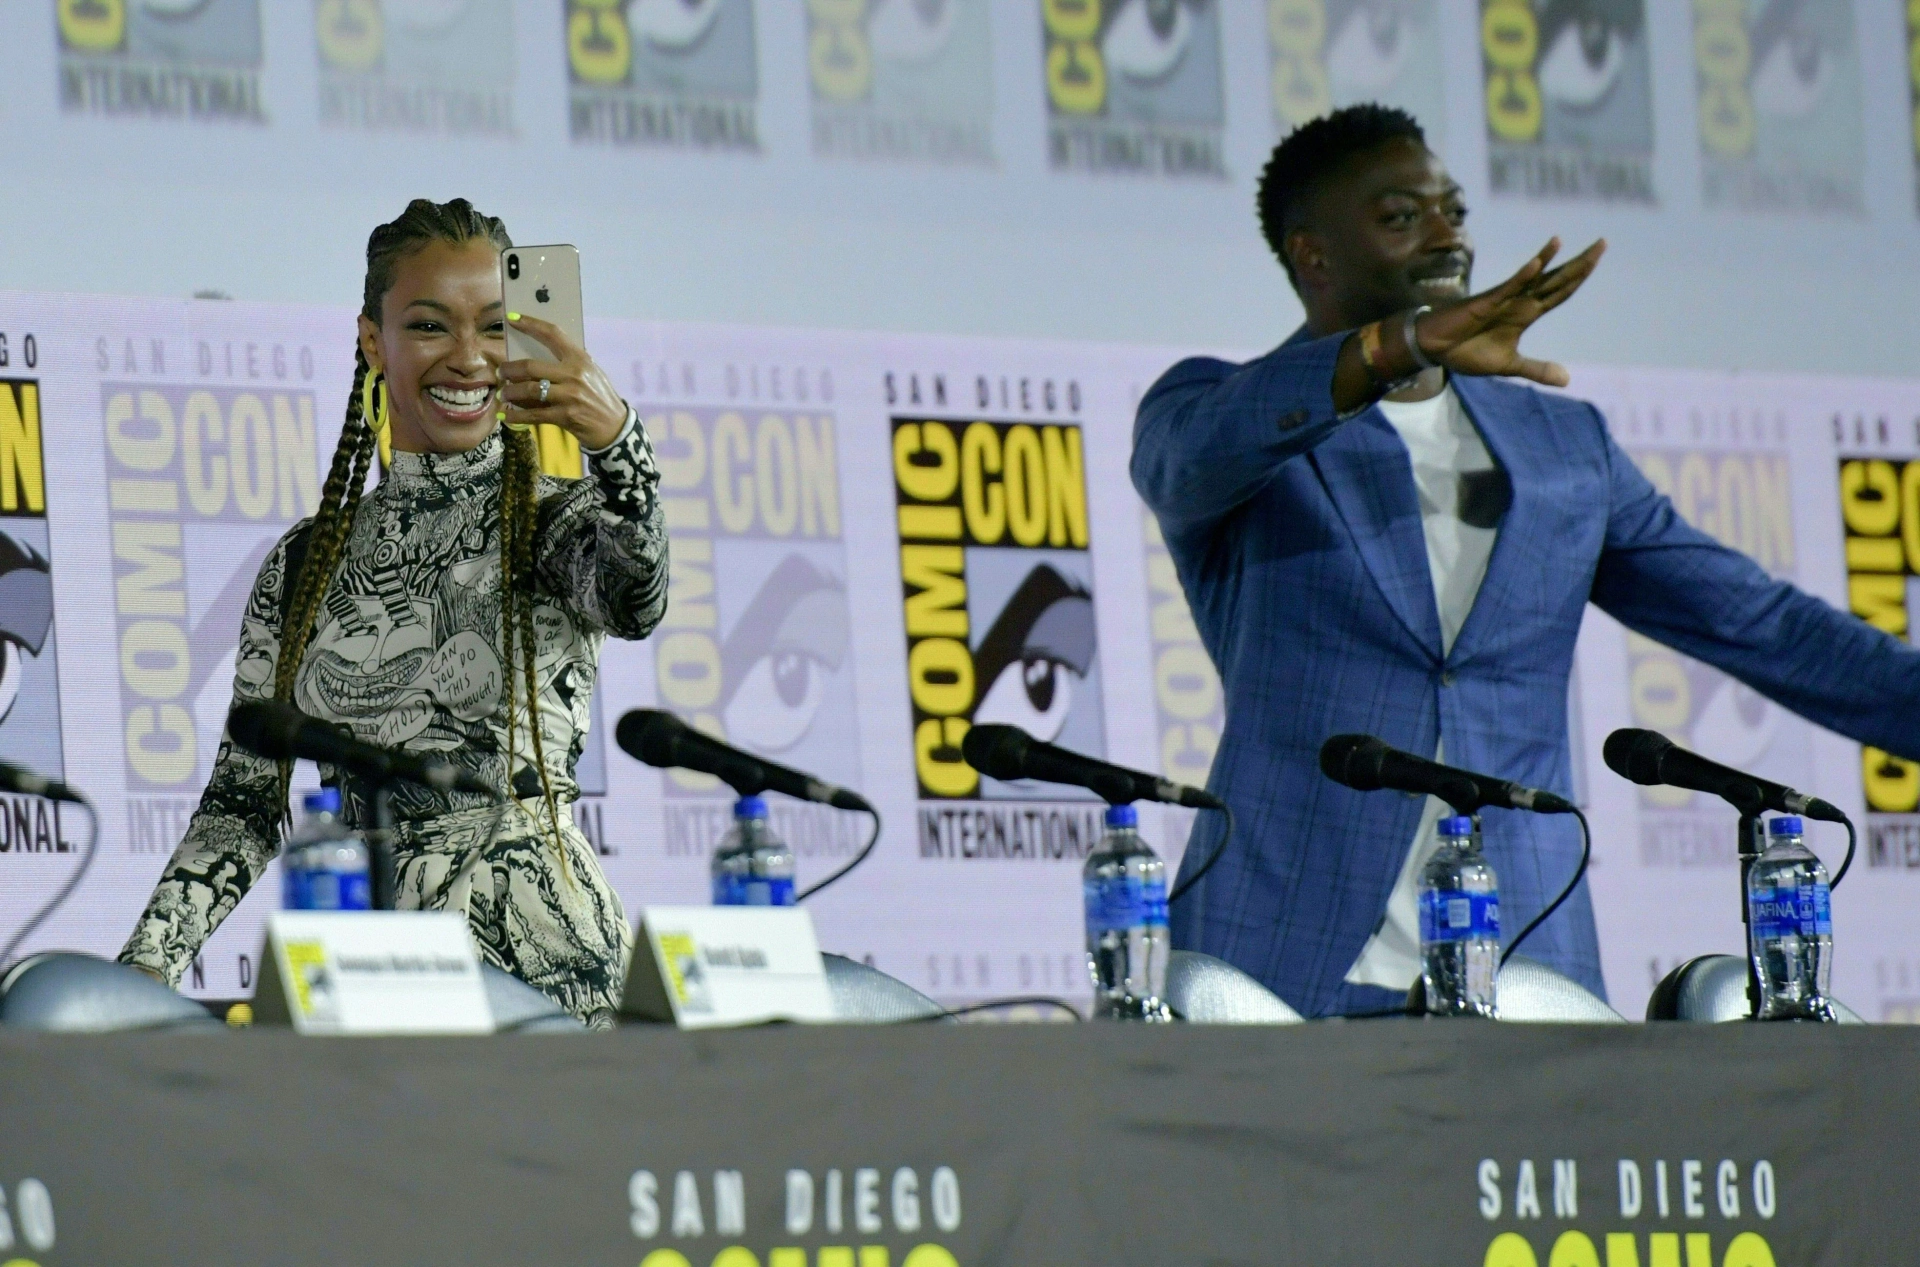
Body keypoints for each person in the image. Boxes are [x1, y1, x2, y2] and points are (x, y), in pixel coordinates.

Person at [1130, 106, 1920, 1018]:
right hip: (1277, 959)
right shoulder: (1216, 411)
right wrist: (1402, 346)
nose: (1446, 232)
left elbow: (1762, 625)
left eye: (1454, 208)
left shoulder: (1561, 447)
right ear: (1314, 256)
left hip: (1530, 965)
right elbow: (1192, 457)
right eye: (1400, 216)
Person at [119, 200, 668, 1027]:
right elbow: (240, 804)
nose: (468, 358)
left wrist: (618, 446)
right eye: (429, 325)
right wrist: (142, 968)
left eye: (493, 328)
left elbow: (638, 597)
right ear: (374, 342)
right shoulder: (306, 563)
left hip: (551, 979)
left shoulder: (554, 519)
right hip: (371, 973)